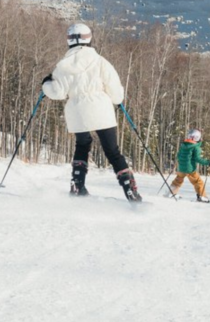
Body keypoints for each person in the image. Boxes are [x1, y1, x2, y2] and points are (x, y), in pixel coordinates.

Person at [42, 23, 142, 202]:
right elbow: (116, 94)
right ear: (88, 38)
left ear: (69, 40)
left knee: (82, 145)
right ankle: (130, 191)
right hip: (100, 110)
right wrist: (117, 100)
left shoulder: (62, 67)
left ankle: (77, 185)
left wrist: (46, 83)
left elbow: (57, 93)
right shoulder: (100, 61)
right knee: (112, 151)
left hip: (77, 112)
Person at [171, 128, 210, 202]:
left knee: (178, 180)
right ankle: (202, 196)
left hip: (181, 167)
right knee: (198, 182)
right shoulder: (195, 147)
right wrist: (208, 162)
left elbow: (178, 155)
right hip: (190, 169)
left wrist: (181, 162)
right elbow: (197, 159)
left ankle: (171, 192)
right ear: (197, 138)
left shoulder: (183, 145)